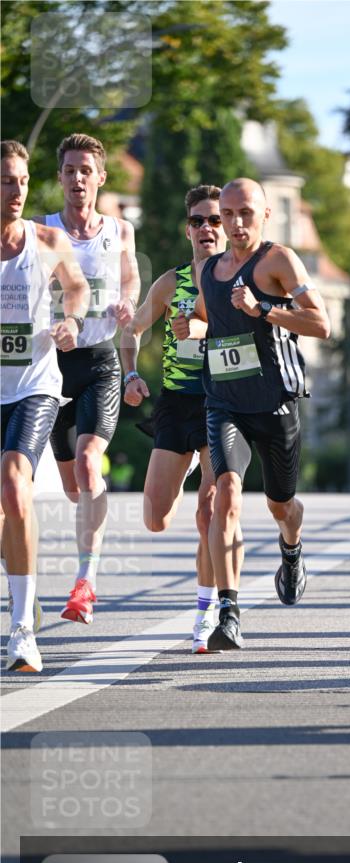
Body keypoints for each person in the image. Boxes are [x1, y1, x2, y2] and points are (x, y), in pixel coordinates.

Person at [173, 178, 330, 651]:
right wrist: (190, 326)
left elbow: (321, 322)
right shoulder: (210, 270)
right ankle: (229, 612)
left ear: (265, 215)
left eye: (246, 213)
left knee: (282, 505)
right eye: (227, 214)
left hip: (275, 402)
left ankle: (292, 548)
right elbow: (207, 316)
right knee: (225, 493)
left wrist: (264, 310)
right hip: (224, 402)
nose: (235, 223)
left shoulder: (278, 260)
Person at [35, 133, 140, 625]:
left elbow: (132, 277)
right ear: (60, 178)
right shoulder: (42, 230)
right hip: (54, 367)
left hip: (98, 360)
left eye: (86, 170)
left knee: (87, 460)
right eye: (70, 169)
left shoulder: (119, 230)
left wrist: (127, 302)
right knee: (74, 485)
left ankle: (85, 582)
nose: (77, 178)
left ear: (100, 178)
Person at [121, 184, 224, 653]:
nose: (207, 228)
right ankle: (184, 472)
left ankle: (206, 614)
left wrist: (205, 326)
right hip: (174, 403)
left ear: (228, 228)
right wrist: (130, 375)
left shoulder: (237, 282)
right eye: (199, 221)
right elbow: (133, 329)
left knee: (209, 513)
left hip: (221, 402)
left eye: (215, 221)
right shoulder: (170, 282)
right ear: (188, 230)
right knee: (156, 519)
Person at [1, 139, 90, 671]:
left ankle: (21, 631)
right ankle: (22, 584)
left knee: (15, 482)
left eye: (22, 181)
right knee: (6, 512)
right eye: (6, 181)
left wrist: (71, 320)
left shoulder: (48, 239)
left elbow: (76, 287)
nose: (16, 191)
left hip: (34, 385)